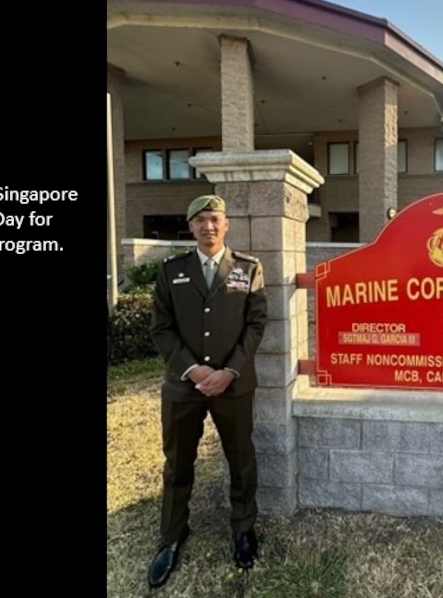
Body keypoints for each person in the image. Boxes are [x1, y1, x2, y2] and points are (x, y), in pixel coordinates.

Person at [146, 194, 268, 589]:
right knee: (178, 462)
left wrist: (229, 370)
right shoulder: (172, 270)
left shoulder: (248, 268)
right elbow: (161, 328)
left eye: (214, 219)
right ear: (191, 226)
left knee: (241, 458)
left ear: (226, 224)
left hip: (233, 385)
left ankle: (243, 529)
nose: (208, 226)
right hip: (184, 386)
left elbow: (256, 323)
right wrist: (194, 370)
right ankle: (172, 536)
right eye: (199, 220)